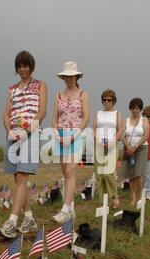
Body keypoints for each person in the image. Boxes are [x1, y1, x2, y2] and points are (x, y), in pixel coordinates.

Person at [0, 51, 47, 238]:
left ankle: (11, 222)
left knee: (23, 175)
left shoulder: (40, 85)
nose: (22, 69)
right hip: (13, 134)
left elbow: (42, 112)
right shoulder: (12, 88)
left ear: (31, 67)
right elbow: (6, 112)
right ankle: (28, 217)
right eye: (19, 66)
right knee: (18, 178)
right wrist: (9, 130)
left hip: (31, 133)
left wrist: (28, 131)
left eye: (25, 65)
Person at [51, 61, 90, 224]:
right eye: (66, 76)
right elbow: (54, 117)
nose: (68, 78)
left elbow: (86, 117)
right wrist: (55, 132)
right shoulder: (58, 96)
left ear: (76, 76)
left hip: (76, 134)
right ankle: (71, 207)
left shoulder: (83, 94)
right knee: (64, 172)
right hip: (60, 135)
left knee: (70, 171)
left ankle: (65, 209)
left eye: (71, 76)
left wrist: (75, 135)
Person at [93, 89, 124, 209]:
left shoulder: (117, 114)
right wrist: (98, 140)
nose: (107, 102)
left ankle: (114, 197)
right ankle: (102, 200)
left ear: (113, 101)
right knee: (100, 173)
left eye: (109, 100)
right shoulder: (98, 113)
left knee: (109, 173)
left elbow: (120, 129)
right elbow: (94, 128)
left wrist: (112, 141)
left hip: (112, 144)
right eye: (104, 99)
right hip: (99, 144)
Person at [121, 98, 149, 208]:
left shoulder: (144, 120)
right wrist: (129, 147)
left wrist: (136, 146)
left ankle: (140, 196)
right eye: (132, 108)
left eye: (136, 108)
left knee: (138, 174)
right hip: (129, 150)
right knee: (131, 175)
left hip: (141, 148)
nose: (134, 110)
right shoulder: (125, 120)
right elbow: (122, 135)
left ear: (140, 109)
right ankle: (133, 198)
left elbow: (146, 135)